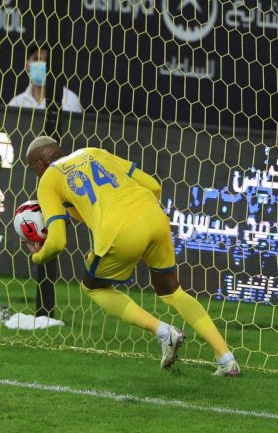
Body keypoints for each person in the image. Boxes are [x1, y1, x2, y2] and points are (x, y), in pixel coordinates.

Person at [24, 135, 240, 376]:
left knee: (93, 287)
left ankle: (164, 332)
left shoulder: (48, 180)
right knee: (172, 291)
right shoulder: (93, 152)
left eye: (34, 170)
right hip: (154, 215)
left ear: (40, 165)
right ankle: (226, 359)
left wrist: (36, 256)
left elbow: (57, 242)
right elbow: (154, 185)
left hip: (121, 231)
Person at [8, 46, 82, 113]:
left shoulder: (70, 100)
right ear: (27, 65)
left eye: (47, 60)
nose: (41, 63)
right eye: (36, 58)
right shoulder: (16, 103)